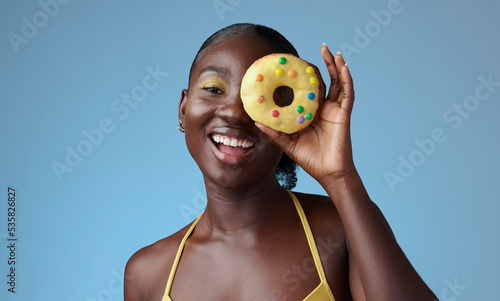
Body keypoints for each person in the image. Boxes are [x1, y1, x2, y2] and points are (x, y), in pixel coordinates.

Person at [124, 23, 437, 300]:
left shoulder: (339, 231)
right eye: (213, 89)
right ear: (183, 107)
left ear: (293, 122)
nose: (234, 112)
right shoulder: (148, 273)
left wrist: (341, 178)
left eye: (266, 97)